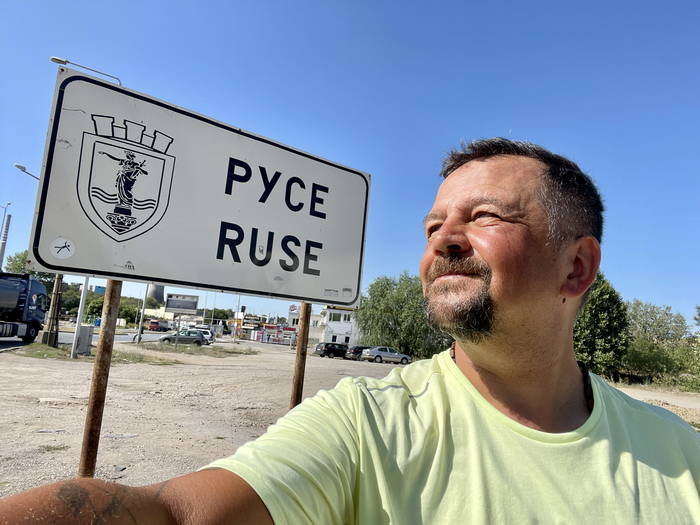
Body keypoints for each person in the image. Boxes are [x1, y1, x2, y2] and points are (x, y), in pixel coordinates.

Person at [2, 138, 699, 523]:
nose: (442, 240)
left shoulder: (680, 453)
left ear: (576, 267)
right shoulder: (364, 424)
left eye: (485, 216)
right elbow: (176, 514)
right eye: (433, 226)